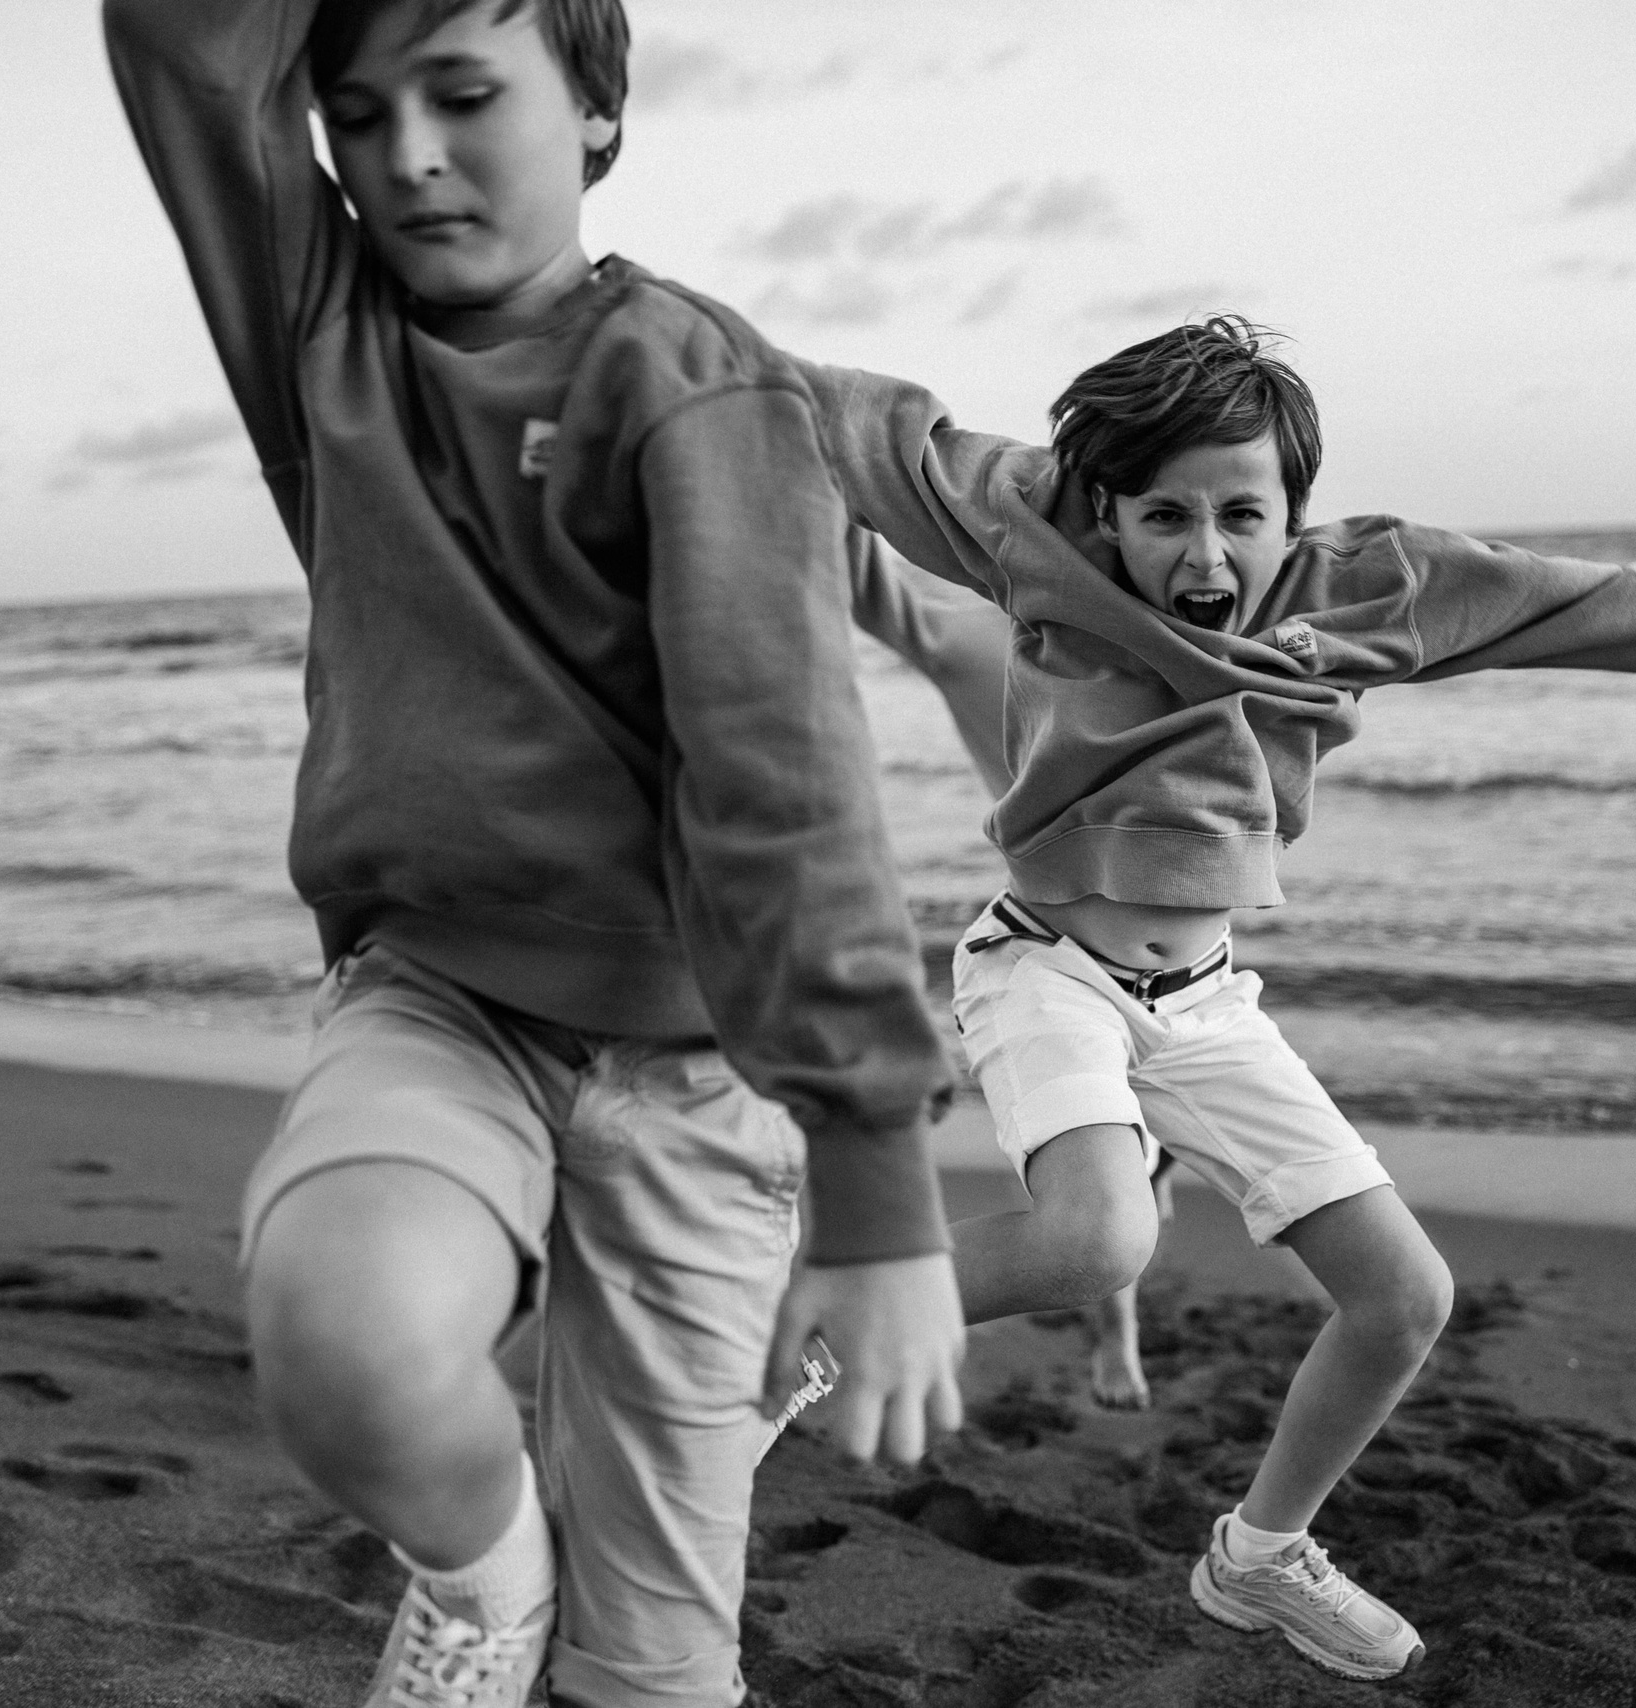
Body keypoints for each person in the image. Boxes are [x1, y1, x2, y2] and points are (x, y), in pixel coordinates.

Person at [794, 316, 1636, 1681]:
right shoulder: (1035, 530)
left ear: (1292, 512)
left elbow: (1590, 602)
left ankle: (1258, 1558)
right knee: (1099, 1242)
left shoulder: (1371, 589)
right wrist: (629, 363)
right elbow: (858, 424)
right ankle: (800, 1323)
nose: (1206, 554)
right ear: (1105, 506)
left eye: (1241, 515)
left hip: (1203, 1005)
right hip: (1044, 969)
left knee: (1406, 1301)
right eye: (1166, 516)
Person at [101, 2, 999, 1702]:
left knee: (655, 1670)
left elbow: (784, 786)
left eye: (463, 95)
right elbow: (182, 38)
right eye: (355, 116)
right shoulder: (327, 339)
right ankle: (489, 1584)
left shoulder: (697, 385)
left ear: (595, 111)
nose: (408, 156)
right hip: (441, 1003)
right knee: (345, 1341)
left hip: (698, 1074)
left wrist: (879, 1195)